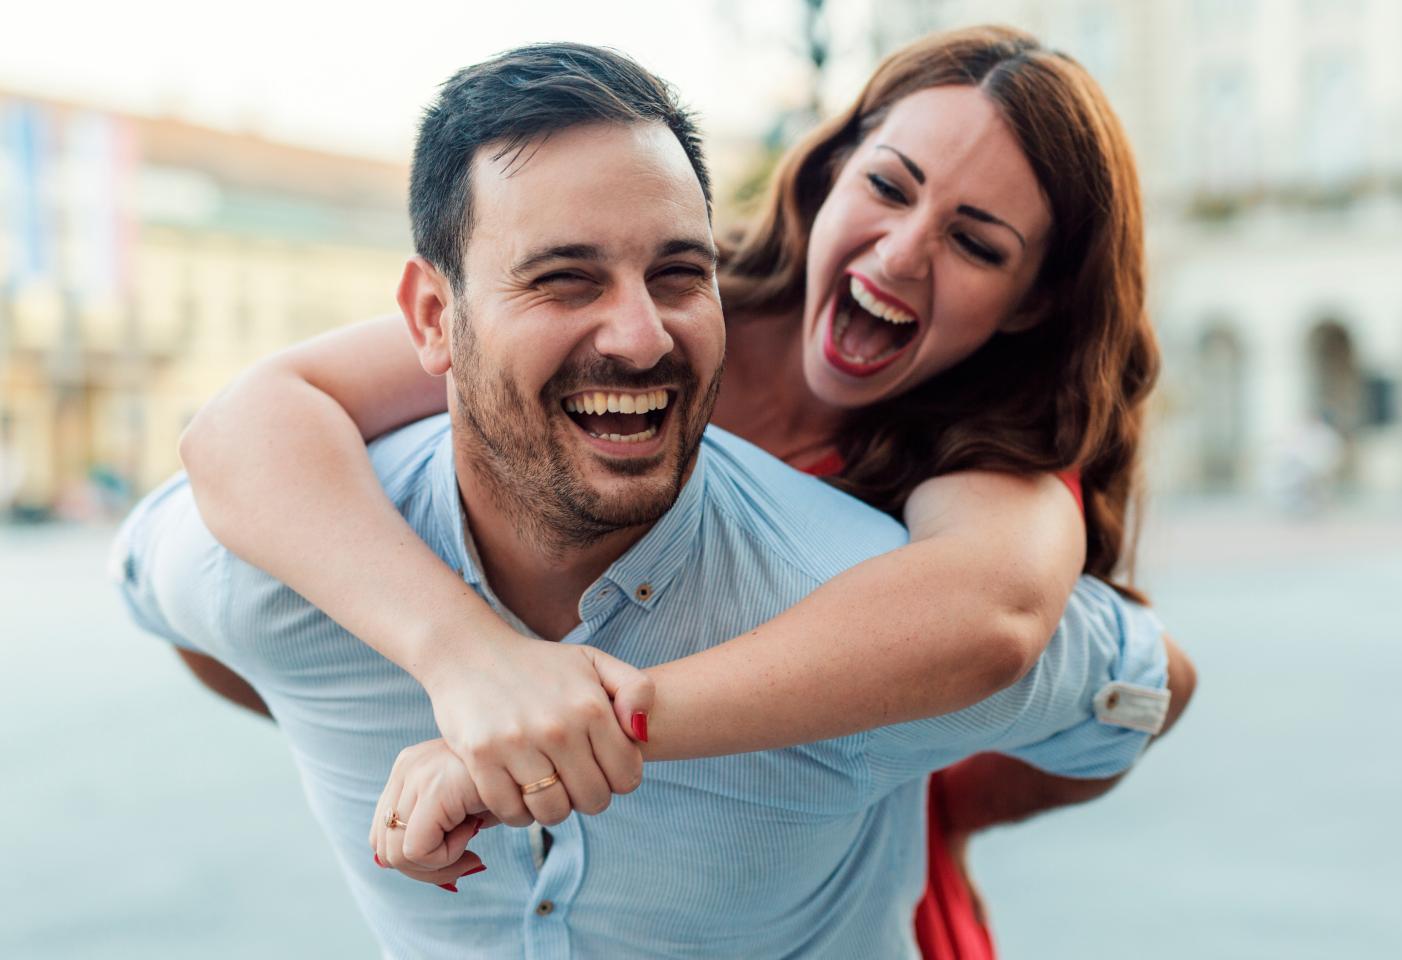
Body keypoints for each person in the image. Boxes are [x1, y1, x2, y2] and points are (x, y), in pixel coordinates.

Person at [115, 41, 1177, 958]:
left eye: (976, 241)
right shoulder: (658, 289)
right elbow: (247, 425)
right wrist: (457, 670)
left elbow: (1018, 630)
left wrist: (929, 791)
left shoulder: (994, 463)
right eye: (889, 187)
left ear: (1034, 298)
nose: (902, 252)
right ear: (827, 173)